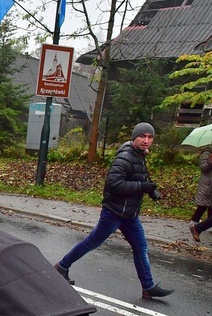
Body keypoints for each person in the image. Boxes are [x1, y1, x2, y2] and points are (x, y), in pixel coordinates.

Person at [54, 123, 174, 300]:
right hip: (114, 212)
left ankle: (148, 287)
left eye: (150, 137)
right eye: (143, 136)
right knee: (91, 242)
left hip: (130, 215)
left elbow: (134, 179)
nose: (146, 140)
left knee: (141, 248)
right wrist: (142, 186)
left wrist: (147, 188)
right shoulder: (125, 157)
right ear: (135, 137)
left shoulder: (139, 156)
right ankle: (61, 267)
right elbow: (114, 184)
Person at [190, 135, 212, 226]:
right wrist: (211, 159)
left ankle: (208, 225)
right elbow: (203, 168)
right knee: (203, 205)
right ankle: (194, 222)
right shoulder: (207, 153)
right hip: (207, 183)